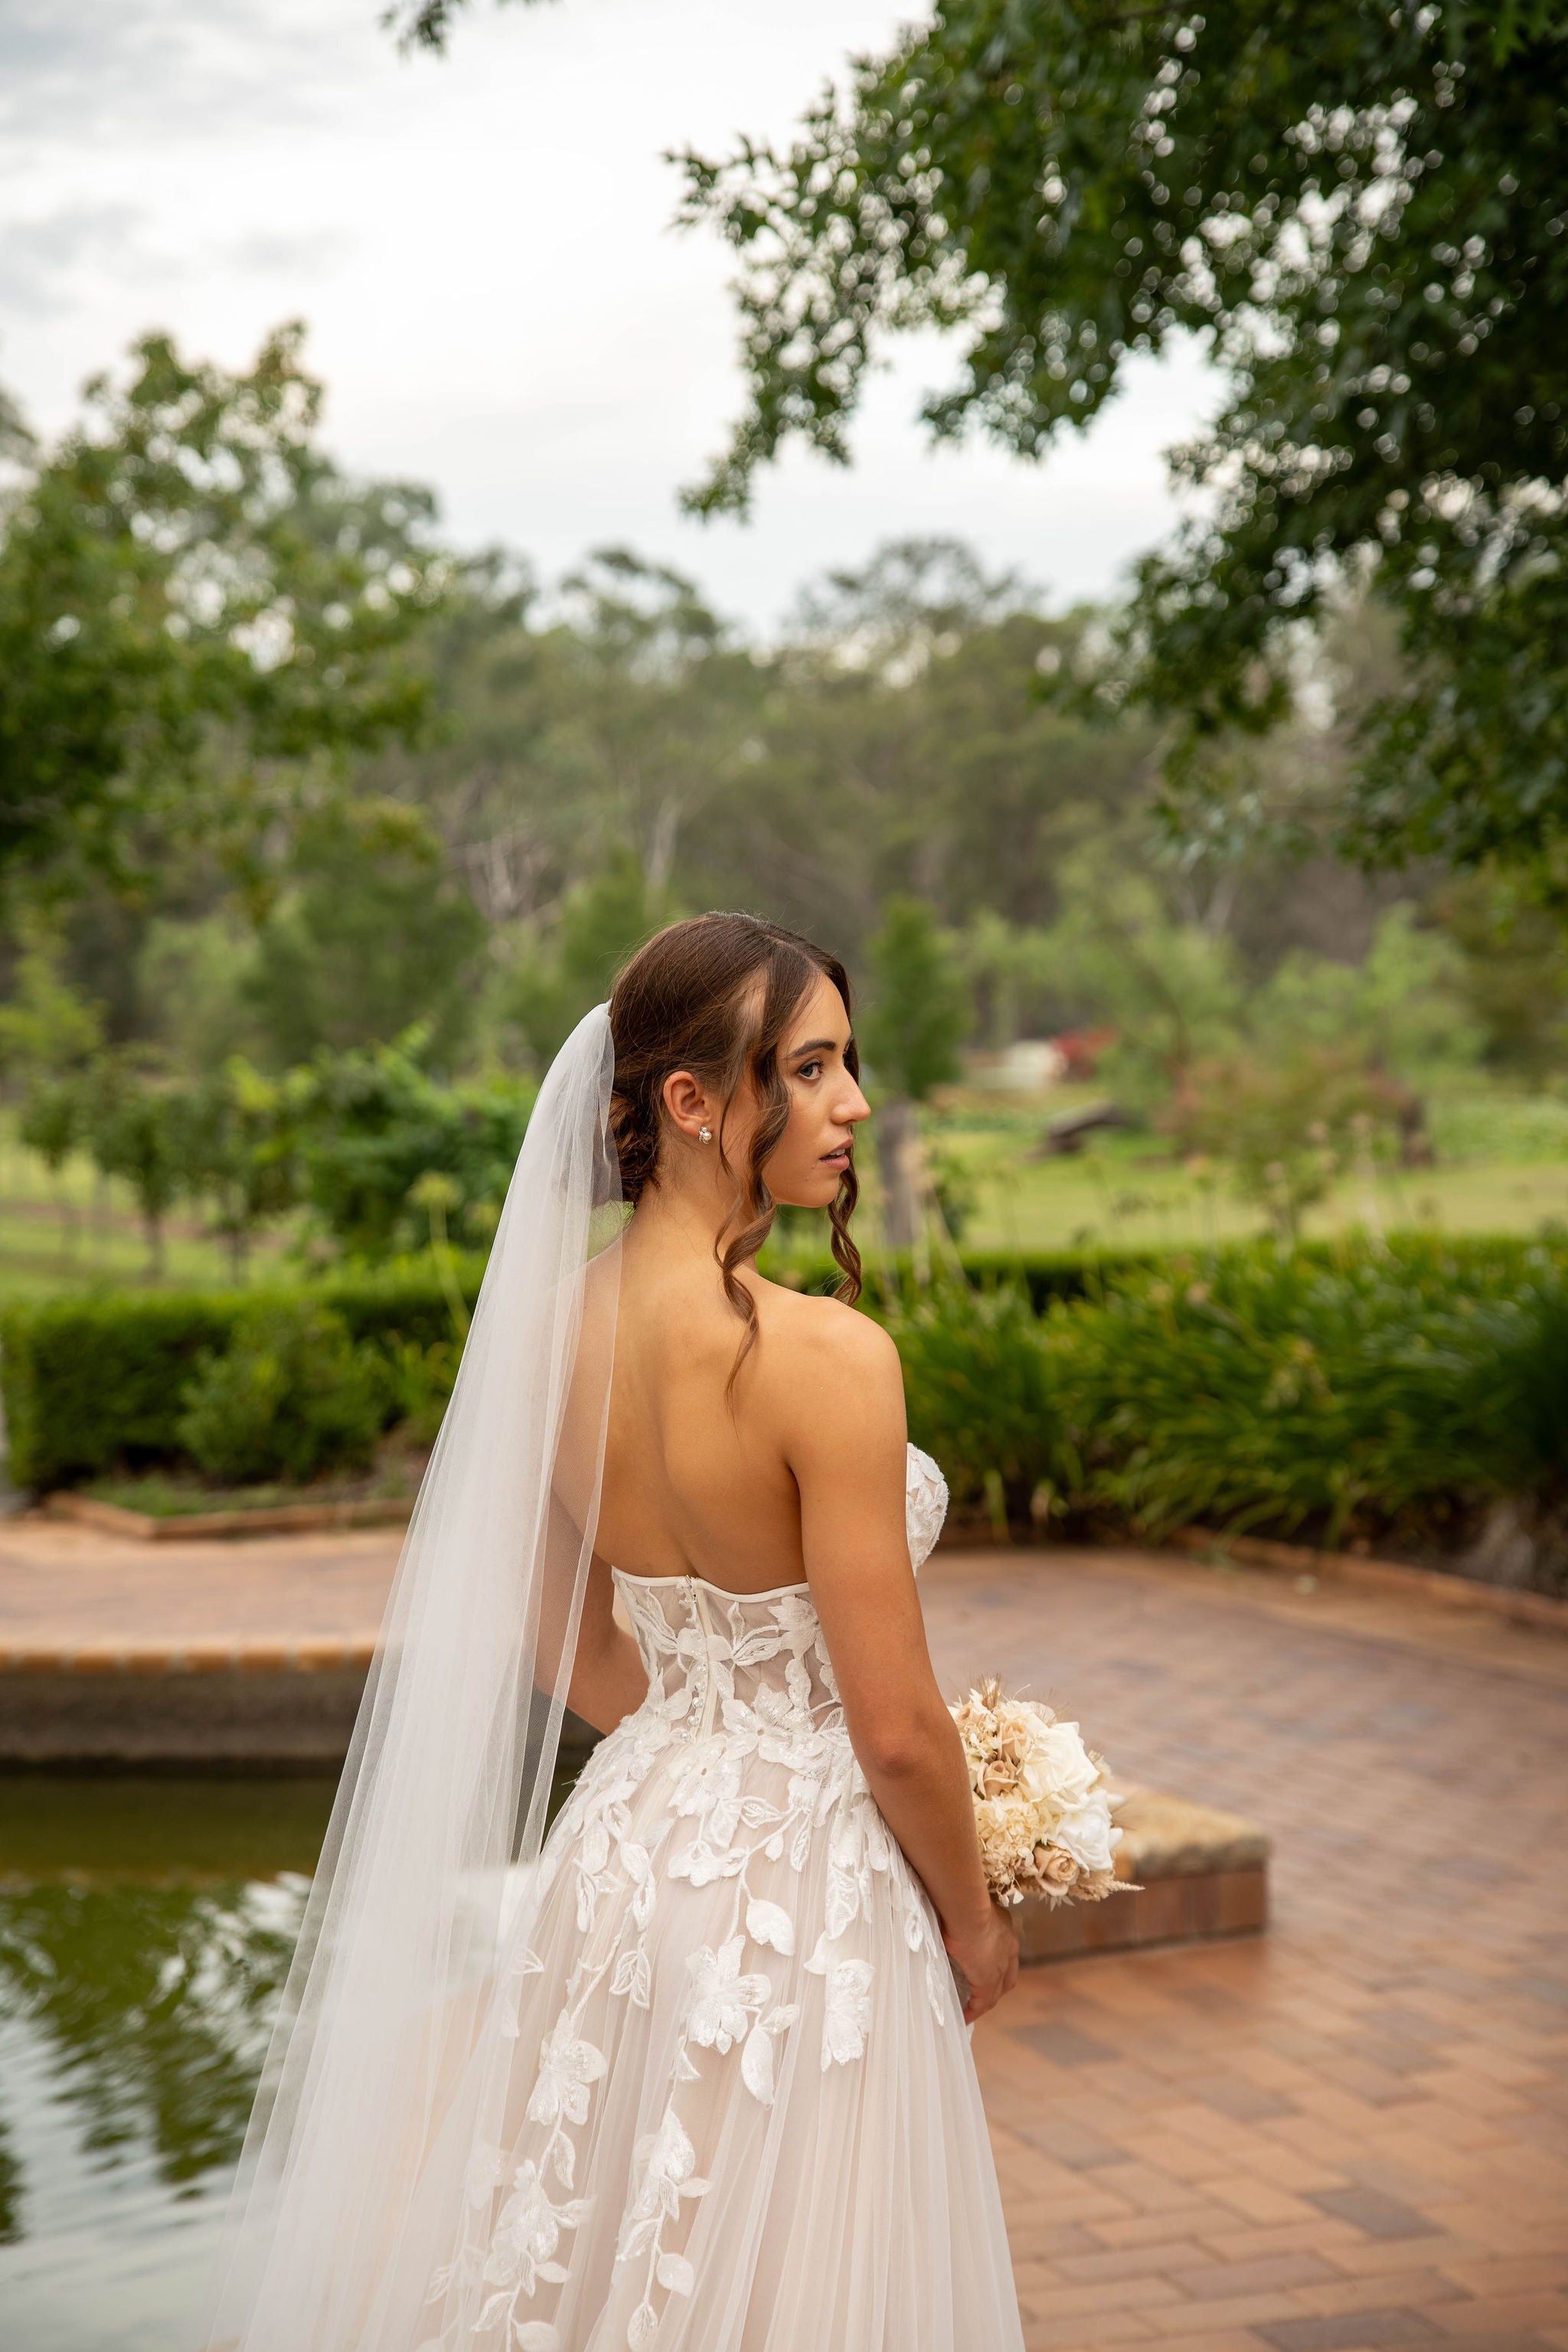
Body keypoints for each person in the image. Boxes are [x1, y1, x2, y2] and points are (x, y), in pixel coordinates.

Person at [205, 913, 1022, 2352]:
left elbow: (570, 1654)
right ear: (691, 1103)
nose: (854, 1106)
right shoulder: (830, 1361)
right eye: (812, 1068)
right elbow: (896, 1732)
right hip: (810, 1886)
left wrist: (704, 1739)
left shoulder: (544, 1338)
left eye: (849, 1065)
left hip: (628, 1858)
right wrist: (974, 1915)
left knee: (607, 2261)